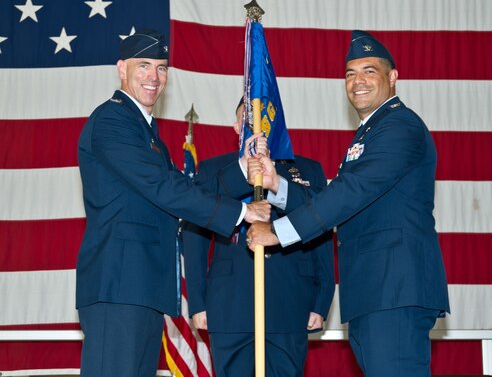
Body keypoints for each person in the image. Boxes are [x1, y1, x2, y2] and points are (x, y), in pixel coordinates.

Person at [247, 30, 450, 376]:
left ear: (393, 77)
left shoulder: (400, 126)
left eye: (370, 71)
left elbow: (351, 192)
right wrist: (276, 184)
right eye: (350, 73)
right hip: (374, 292)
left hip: (394, 290)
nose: (358, 81)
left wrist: (278, 232)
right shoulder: (371, 132)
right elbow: (339, 195)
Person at [76, 29, 270, 377]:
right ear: (122, 69)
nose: (154, 77)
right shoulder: (112, 119)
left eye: (162, 68)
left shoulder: (145, 131)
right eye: (144, 66)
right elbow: (163, 188)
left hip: (142, 288)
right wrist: (241, 211)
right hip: (120, 287)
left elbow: (178, 186)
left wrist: (241, 170)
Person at [182, 99, 334, 377]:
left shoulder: (308, 171)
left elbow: (321, 234)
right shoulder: (212, 170)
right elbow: (195, 238)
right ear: (236, 126)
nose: (257, 128)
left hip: (290, 301)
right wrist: (198, 302)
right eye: (248, 120)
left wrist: (321, 300)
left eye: (266, 120)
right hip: (229, 305)